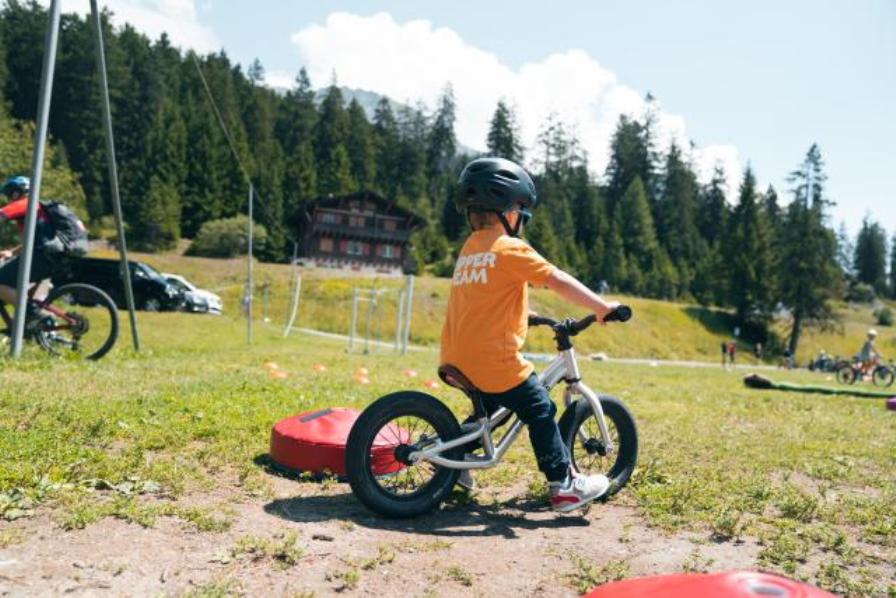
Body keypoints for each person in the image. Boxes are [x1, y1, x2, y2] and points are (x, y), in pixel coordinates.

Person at [440, 157, 621, 513]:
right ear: (507, 210)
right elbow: (557, 280)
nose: (522, 219)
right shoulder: (511, 248)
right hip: (495, 360)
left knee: (491, 412)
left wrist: (527, 314)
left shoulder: (471, 249)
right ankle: (563, 484)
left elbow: (485, 298)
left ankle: (451, 461)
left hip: (456, 357)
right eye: (522, 210)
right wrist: (601, 307)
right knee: (540, 406)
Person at [0, 176, 85, 326]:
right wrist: (12, 252)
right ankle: (33, 326)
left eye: (9, 194)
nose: (9, 199)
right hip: (50, 258)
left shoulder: (25, 203)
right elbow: (34, 241)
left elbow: (1, 215)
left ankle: (32, 312)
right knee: (12, 288)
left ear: (17, 193)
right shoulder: (36, 208)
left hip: (42, 258)